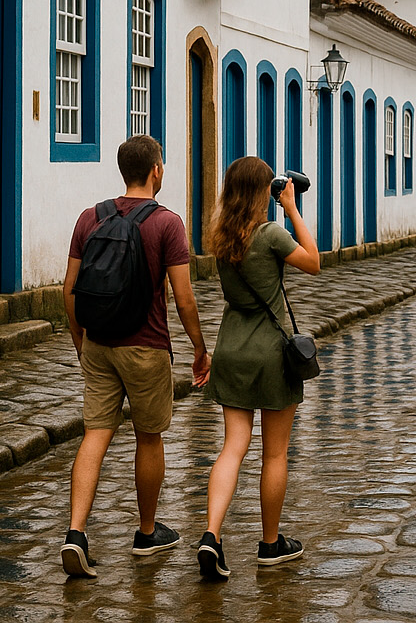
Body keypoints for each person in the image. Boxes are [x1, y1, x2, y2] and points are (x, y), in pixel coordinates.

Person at [60, 135, 211, 578]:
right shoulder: (167, 223)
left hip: (99, 345)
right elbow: (183, 299)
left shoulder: (90, 217)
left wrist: (79, 339)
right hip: (145, 346)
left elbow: (67, 289)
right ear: (156, 171)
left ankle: (75, 533)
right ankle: (147, 532)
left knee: (95, 435)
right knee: (149, 437)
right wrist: (200, 349)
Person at [197, 156, 321, 578]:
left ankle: (211, 535)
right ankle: (270, 544)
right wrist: (291, 208)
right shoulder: (270, 235)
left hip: (230, 347)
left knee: (233, 446)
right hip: (270, 354)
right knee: (275, 453)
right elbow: (314, 260)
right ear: (262, 192)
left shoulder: (220, 235)